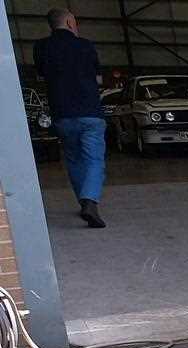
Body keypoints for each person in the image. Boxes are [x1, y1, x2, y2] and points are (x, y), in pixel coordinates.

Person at [34, 8, 106, 229]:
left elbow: (40, 75)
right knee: (94, 159)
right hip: (90, 113)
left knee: (73, 160)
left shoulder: (42, 47)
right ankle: (90, 201)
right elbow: (99, 79)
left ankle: (83, 200)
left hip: (62, 114)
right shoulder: (85, 45)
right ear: (68, 22)